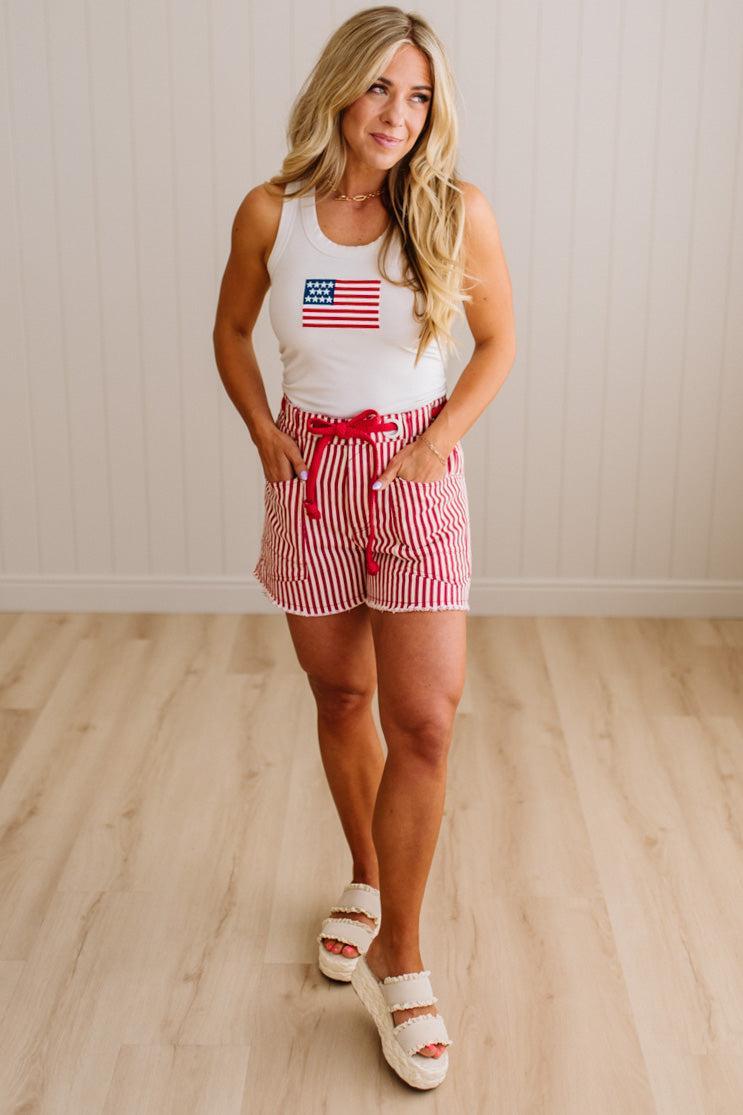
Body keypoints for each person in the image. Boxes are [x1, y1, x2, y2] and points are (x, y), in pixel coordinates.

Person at [213, 5, 515, 1091]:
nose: (398, 113)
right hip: (310, 475)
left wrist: (439, 440)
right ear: (341, 87)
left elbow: (498, 341)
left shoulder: (450, 210)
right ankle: (363, 876)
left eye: (419, 94)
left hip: (412, 472)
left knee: (422, 721)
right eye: (381, 87)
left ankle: (402, 951)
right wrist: (260, 430)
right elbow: (230, 331)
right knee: (340, 699)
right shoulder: (271, 212)